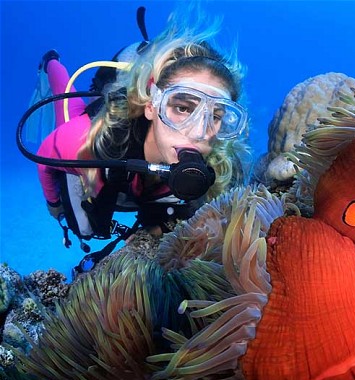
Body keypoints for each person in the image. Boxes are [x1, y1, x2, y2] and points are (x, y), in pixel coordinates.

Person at [33, 14, 252, 273]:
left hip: (138, 188)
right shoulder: (85, 141)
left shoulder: (220, 168)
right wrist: (54, 203)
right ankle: (51, 62)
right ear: (151, 106)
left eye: (215, 116)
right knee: (67, 100)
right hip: (101, 132)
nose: (198, 132)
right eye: (182, 107)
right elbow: (44, 157)